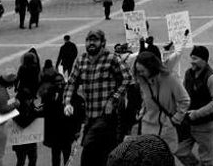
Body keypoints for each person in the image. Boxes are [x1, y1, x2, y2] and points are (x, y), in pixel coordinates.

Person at [63, 29, 132, 165]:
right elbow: (71, 82)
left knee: (88, 152)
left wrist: (113, 100)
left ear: (103, 42)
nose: (91, 43)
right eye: (89, 40)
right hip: (89, 117)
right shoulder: (81, 60)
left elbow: (127, 78)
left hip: (107, 116)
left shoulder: (111, 59)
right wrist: (67, 102)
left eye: (95, 40)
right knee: (101, 156)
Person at [135, 49, 190, 154]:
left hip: (166, 129)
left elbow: (184, 100)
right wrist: (142, 112)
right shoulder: (142, 81)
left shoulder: (170, 79)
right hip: (147, 127)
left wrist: (175, 119)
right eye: (138, 71)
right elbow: (146, 99)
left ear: (151, 67)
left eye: (142, 71)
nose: (140, 74)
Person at [176, 45, 213, 166]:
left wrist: (197, 113)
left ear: (204, 60)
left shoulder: (212, 77)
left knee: (206, 159)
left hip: (206, 126)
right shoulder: (188, 73)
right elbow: (184, 95)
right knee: (180, 151)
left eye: (195, 58)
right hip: (188, 124)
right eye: (191, 58)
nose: (192, 61)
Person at [39, 59, 82, 166]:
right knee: (55, 157)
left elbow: (77, 114)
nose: (59, 84)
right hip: (55, 133)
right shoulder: (49, 95)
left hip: (66, 131)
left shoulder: (70, 95)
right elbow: (45, 112)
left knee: (66, 155)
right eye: (57, 82)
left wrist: (77, 129)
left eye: (61, 81)